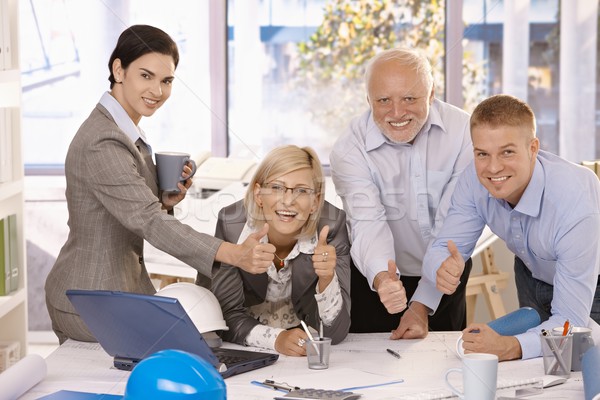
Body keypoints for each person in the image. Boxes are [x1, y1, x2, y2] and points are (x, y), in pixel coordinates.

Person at [45, 25, 275, 344]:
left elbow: (133, 208)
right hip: (88, 298)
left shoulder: (125, 131)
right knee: (182, 350)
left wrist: (166, 198)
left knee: (196, 346)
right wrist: (235, 254)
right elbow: (149, 221)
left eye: (166, 81)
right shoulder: (104, 139)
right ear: (118, 70)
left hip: (123, 290)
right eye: (146, 75)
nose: (157, 90)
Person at [412, 94, 600, 360]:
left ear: (533, 148)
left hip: (591, 283)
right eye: (482, 154)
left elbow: (570, 323)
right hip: (531, 269)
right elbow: (443, 246)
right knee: (533, 371)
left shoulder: (575, 200)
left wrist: (510, 346)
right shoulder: (473, 179)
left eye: (507, 152)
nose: (493, 167)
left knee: (578, 368)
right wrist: (440, 267)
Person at [329, 47, 473, 336]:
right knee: (370, 361)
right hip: (375, 273)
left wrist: (421, 303)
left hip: (446, 269)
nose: (397, 113)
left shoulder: (465, 132)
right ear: (368, 100)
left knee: (441, 364)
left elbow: (456, 221)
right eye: (384, 100)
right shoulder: (349, 148)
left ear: (431, 94)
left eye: (409, 98)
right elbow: (367, 223)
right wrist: (383, 278)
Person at [202, 145, 351, 356]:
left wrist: (327, 279)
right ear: (258, 194)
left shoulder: (331, 227)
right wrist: (276, 339)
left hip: (303, 356)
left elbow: (336, 333)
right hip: (246, 350)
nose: (288, 201)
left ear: (315, 202)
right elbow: (225, 317)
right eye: (277, 187)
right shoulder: (232, 225)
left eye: (301, 190)